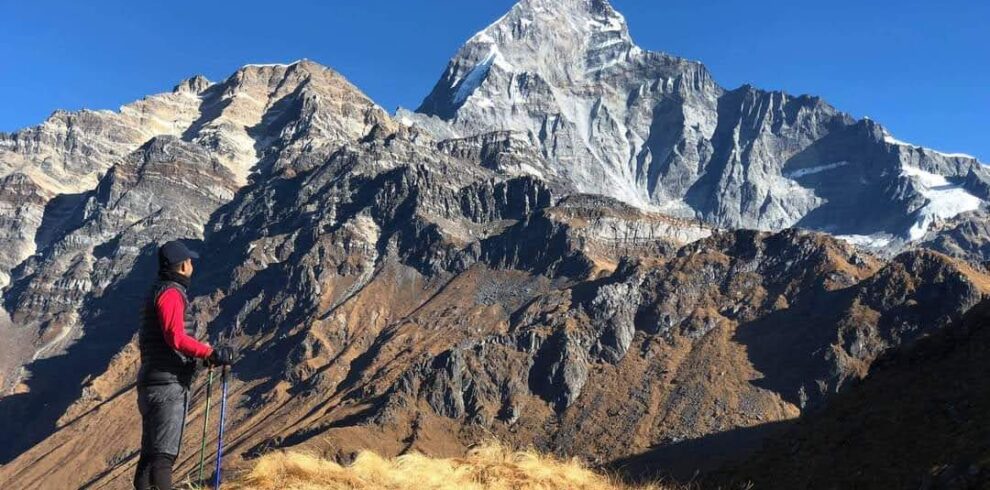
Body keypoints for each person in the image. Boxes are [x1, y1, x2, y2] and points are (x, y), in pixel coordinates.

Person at [134, 240, 233, 490]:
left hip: (153, 381)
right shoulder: (170, 293)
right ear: (182, 266)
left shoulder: (157, 290)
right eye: (189, 262)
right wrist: (209, 352)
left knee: (151, 456)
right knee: (164, 457)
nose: (192, 266)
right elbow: (175, 336)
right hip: (167, 385)